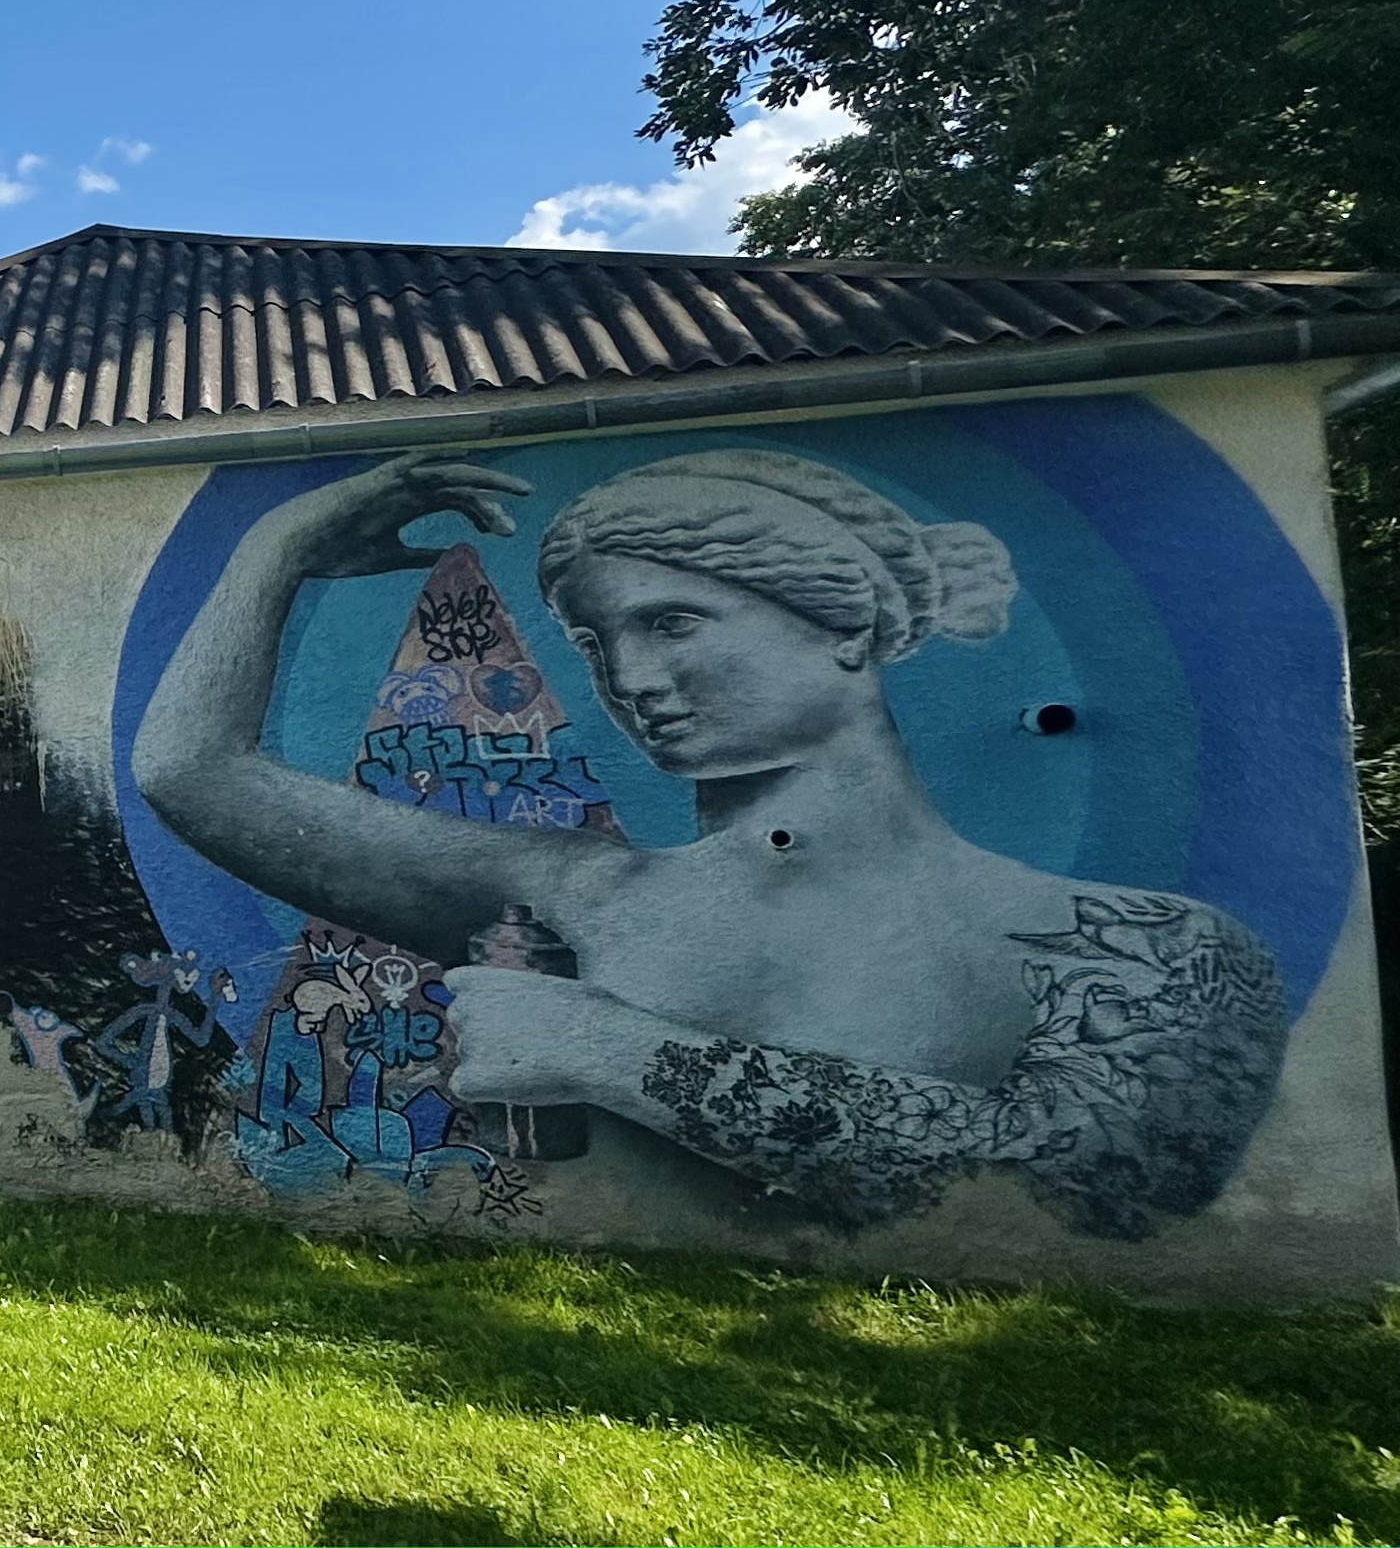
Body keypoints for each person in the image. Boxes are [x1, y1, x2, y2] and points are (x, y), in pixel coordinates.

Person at [135, 447, 1285, 1240]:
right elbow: (191, 771)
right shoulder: (580, 888)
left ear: (845, 627)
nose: (632, 679)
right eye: (596, 641)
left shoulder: (1146, 943)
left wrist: (605, 1050)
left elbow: (1083, 1185)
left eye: (673, 622)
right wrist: (276, 547)